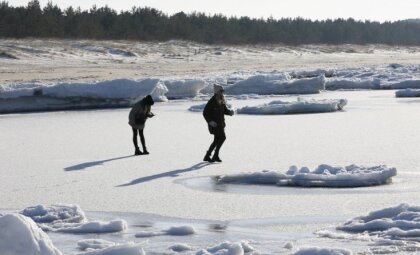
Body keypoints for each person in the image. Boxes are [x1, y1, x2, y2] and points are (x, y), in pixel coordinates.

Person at [203, 84, 234, 162]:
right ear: (217, 92)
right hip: (215, 125)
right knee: (222, 138)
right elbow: (205, 113)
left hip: (221, 124)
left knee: (217, 140)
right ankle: (215, 155)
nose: (222, 93)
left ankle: (208, 156)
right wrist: (210, 121)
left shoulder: (221, 100)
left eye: (222, 91)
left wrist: (230, 112)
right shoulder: (212, 101)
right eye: (221, 91)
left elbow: (224, 110)